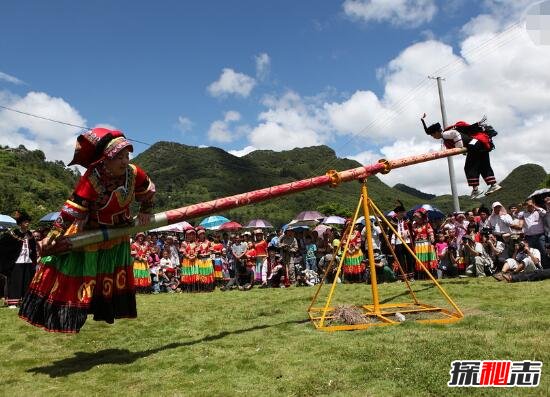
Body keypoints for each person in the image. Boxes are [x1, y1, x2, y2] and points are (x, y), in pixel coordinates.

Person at [19, 128, 155, 333]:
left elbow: (147, 191)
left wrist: (146, 210)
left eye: (127, 155)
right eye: (119, 157)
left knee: (108, 279)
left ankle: (106, 310)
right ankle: (63, 317)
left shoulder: (135, 173)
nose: (125, 161)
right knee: (78, 276)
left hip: (117, 235)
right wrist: (54, 234)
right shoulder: (92, 177)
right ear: (105, 159)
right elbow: (72, 208)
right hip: (89, 233)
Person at [421, 114, 501, 199]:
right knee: (483, 166)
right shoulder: (446, 138)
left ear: (437, 132)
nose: (433, 137)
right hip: (480, 144)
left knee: (469, 167)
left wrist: (459, 147)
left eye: (433, 135)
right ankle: (493, 185)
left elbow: (455, 134)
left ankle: (475, 190)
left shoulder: (445, 134)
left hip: (474, 145)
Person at [0, 210, 38, 308]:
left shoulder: (30, 235)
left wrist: (33, 258)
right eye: (25, 222)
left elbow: (33, 248)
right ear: (20, 224)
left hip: (27, 262)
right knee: (15, 282)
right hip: (16, 262)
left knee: (27, 281)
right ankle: (13, 303)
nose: (27, 223)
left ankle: (24, 301)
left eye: (28, 222)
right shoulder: (13, 234)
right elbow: (3, 246)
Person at [411, 208, 437, 279]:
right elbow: (412, 233)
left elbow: (430, 231)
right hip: (418, 244)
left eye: (417, 217)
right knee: (420, 259)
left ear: (421, 217)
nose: (415, 219)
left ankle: (430, 275)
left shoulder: (427, 224)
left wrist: (432, 237)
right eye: (415, 217)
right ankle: (422, 276)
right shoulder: (414, 225)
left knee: (427, 258)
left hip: (426, 243)